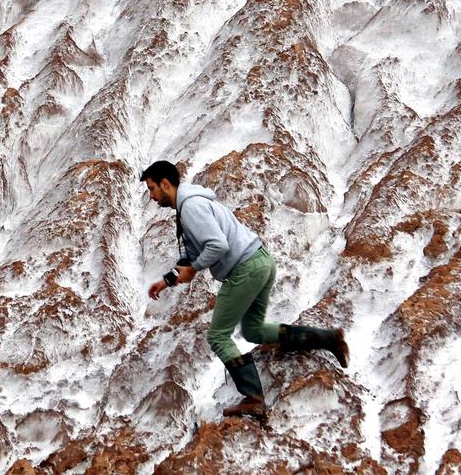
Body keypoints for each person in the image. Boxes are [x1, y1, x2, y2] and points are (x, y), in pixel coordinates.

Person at [142, 159, 349, 421]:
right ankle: (329, 339)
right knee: (254, 330)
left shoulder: (191, 207)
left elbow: (217, 245)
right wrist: (168, 280)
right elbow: (193, 252)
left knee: (218, 337)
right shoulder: (192, 204)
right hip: (261, 261)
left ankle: (254, 399)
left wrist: (194, 269)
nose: (151, 196)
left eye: (152, 189)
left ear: (165, 184)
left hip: (245, 269)